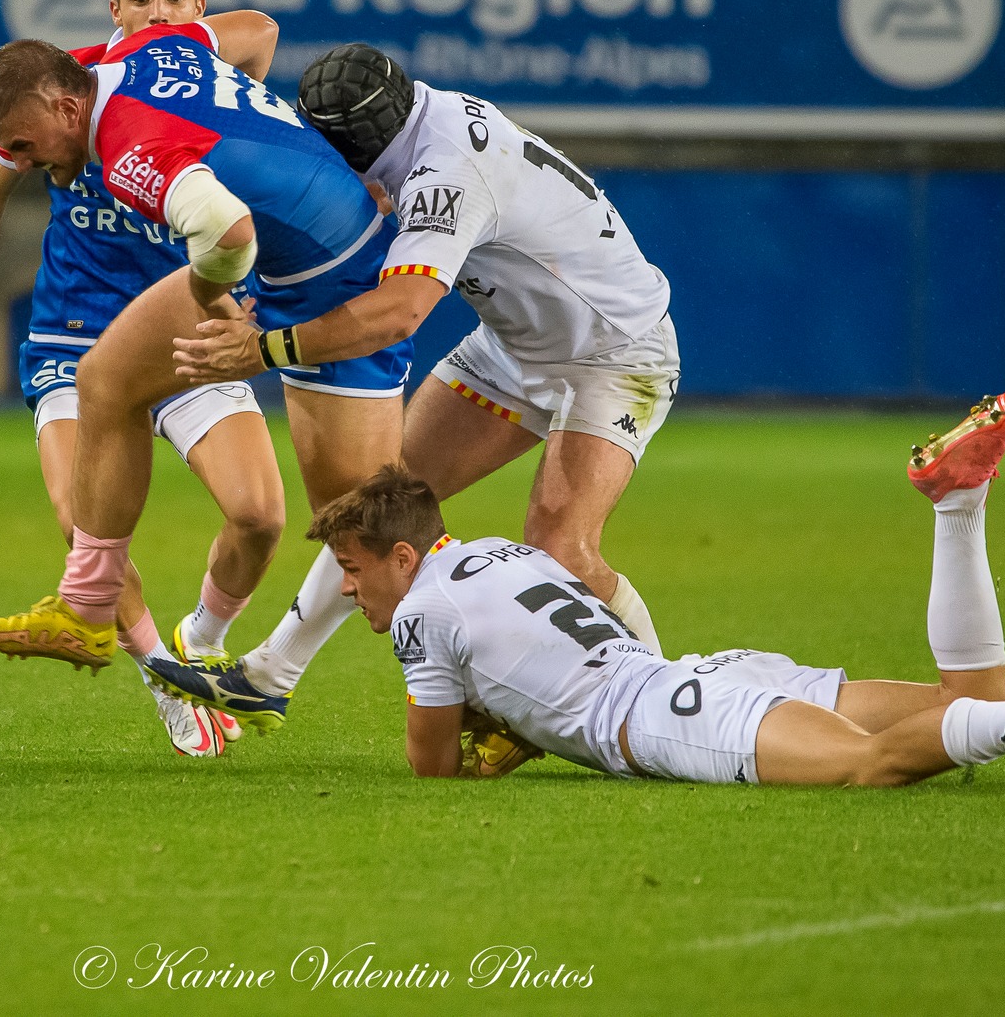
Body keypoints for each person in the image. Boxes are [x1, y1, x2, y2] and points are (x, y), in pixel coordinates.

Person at [162, 44, 671, 721]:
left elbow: (398, 313)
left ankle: (660, 704)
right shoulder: (417, 117)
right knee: (377, 507)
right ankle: (270, 673)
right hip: (515, 347)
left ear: (352, 140)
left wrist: (263, 349)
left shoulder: (447, 173)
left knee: (562, 549)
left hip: (615, 351)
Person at [313, 387, 1005, 793]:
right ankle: (960, 502)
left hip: (669, 715)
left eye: (352, 567)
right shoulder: (502, 551)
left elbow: (432, 767)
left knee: (868, 765)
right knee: (973, 699)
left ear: (403, 557)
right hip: (703, 673)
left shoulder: (422, 611)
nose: (347, 588)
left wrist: (499, 735)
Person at [0, 23, 413, 733]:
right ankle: (134, 621)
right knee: (108, 383)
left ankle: (482, 673)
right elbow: (252, 32)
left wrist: (213, 303)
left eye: (23, 143)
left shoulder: (127, 149)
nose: (20, 161)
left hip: (328, 282)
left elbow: (229, 231)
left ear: (69, 109)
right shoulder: (145, 50)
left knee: (370, 528)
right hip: (332, 246)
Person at [0, 0, 284, 757]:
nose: (157, 13)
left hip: (185, 334)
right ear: (113, 9)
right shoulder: (67, 89)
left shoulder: (195, 77)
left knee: (259, 515)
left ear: (198, 7)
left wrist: (221, 92)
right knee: (84, 528)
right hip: (75, 335)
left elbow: (261, 31)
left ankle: (201, 642)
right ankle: (166, 682)